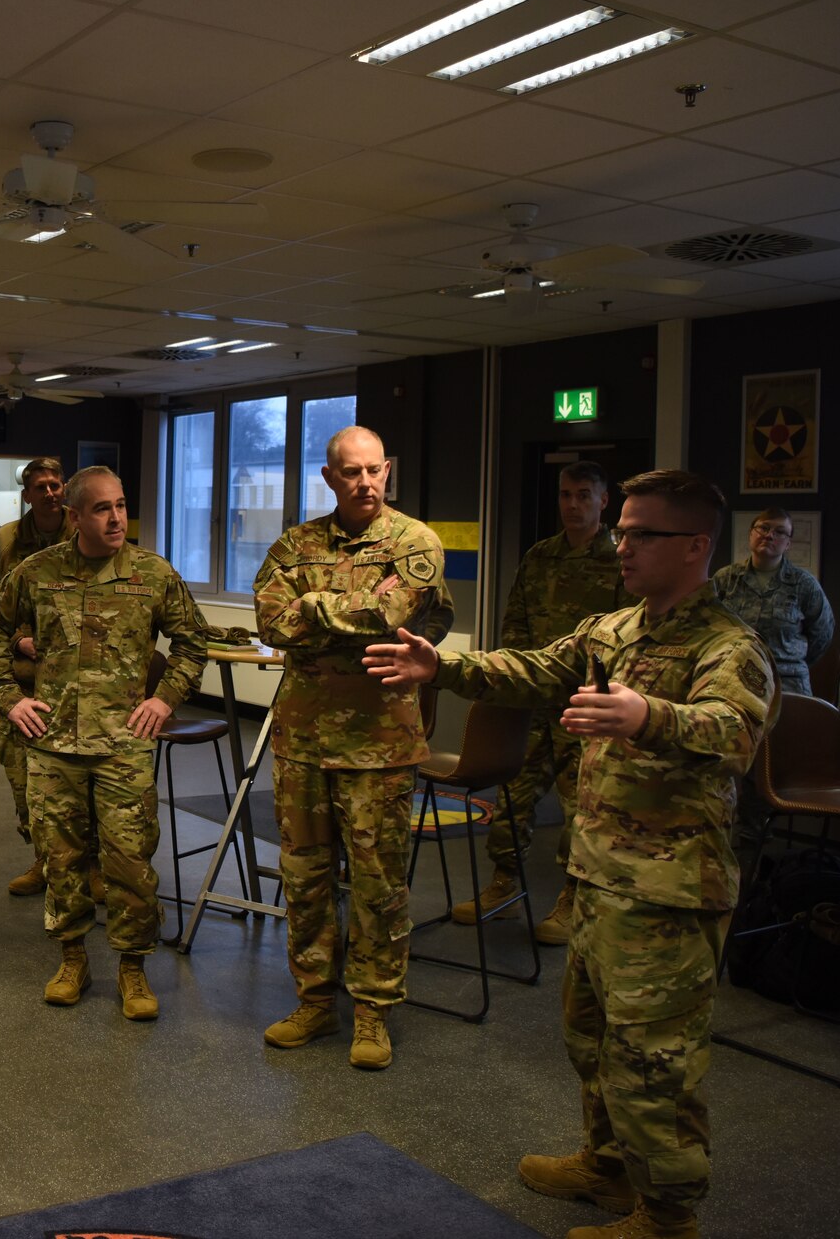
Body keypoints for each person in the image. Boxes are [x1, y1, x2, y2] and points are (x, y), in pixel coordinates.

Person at [367, 470, 774, 1239]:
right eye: (621, 530)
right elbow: (530, 666)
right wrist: (441, 666)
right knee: (592, 1036)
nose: (623, 545)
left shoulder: (729, 645)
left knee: (656, 1058)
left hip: (670, 889)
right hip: (599, 872)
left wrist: (645, 713)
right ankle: (611, 1166)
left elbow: (735, 732)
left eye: (641, 533)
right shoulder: (613, 630)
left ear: (694, 546)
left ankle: (669, 1216)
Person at [253, 426, 453, 1071]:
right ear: (329, 476)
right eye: (349, 472)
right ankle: (315, 1000)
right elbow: (268, 621)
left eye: (373, 470)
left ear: (388, 469)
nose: (363, 482)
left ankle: (372, 1009)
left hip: (382, 744)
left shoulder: (414, 541)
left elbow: (392, 616)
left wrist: (312, 606)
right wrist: (348, 610)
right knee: (306, 879)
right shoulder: (296, 543)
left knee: (377, 884)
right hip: (305, 743)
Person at [0, 466, 206, 1020]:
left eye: (122, 505)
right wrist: (11, 699)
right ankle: (72, 958)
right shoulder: (38, 570)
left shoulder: (152, 573)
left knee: (130, 862)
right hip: (54, 744)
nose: (117, 518)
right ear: (74, 517)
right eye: (103, 509)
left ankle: (132, 968)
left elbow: (193, 640)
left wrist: (165, 699)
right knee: (62, 860)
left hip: (124, 743)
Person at [458, 461, 632, 946]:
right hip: (535, 701)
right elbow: (515, 625)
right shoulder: (540, 557)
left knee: (584, 807)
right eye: (565, 494)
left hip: (585, 706)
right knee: (513, 796)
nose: (572, 504)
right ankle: (502, 884)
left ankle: (573, 898)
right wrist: (516, 684)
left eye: (583, 495)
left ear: (603, 501)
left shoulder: (619, 560)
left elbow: (626, 638)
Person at [0, 457, 74, 895]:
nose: (50, 493)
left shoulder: (84, 530)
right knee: (25, 780)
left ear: (65, 487)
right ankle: (42, 861)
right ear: (28, 495)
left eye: (56, 485)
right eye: (41, 487)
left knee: (78, 782)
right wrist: (19, 641)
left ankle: (85, 868)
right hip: (22, 683)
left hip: (78, 683)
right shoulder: (9, 540)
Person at [710, 507, 835, 698]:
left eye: (779, 532)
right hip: (734, 678)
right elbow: (708, 625)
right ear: (751, 534)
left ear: (788, 544)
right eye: (764, 528)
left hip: (787, 683)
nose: (769, 536)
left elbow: (822, 635)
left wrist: (792, 660)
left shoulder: (804, 584)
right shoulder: (726, 579)